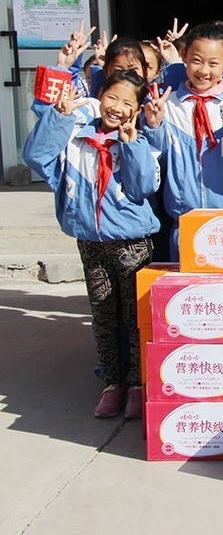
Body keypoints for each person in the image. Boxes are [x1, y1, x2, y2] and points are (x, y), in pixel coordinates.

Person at [23, 70, 159, 419]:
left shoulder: (138, 140)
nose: (117, 107)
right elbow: (36, 157)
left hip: (131, 244)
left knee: (135, 317)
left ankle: (138, 385)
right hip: (90, 242)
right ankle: (113, 384)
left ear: (136, 109)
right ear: (100, 97)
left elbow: (144, 187)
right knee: (103, 315)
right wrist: (59, 117)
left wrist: (131, 145)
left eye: (127, 103)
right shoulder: (75, 138)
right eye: (112, 97)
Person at [142, 21, 223, 258]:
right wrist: (154, 126)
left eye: (213, 63)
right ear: (183, 55)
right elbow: (156, 163)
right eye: (196, 60)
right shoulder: (166, 105)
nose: (204, 70)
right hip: (185, 221)